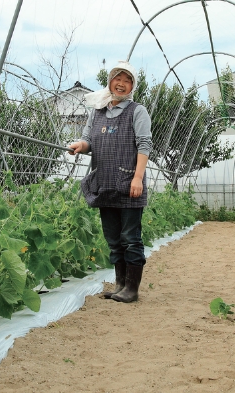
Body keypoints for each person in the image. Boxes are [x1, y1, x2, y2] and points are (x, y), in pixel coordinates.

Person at [67, 61, 152, 303]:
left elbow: (144, 145)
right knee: (114, 239)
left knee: (130, 237)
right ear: (110, 81)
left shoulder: (137, 111)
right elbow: (87, 141)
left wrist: (137, 178)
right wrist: (79, 146)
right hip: (104, 182)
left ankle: (132, 289)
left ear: (133, 85)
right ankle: (120, 284)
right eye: (118, 78)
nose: (121, 84)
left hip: (128, 184)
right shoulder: (98, 111)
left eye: (127, 80)